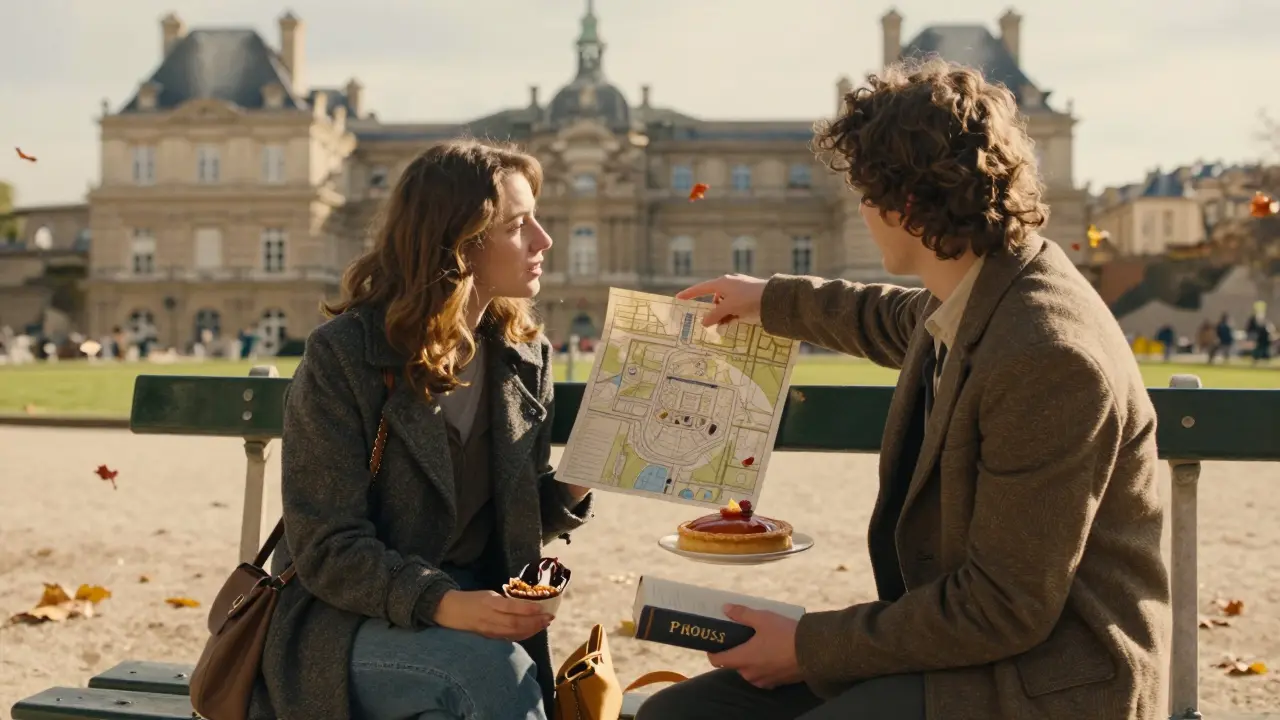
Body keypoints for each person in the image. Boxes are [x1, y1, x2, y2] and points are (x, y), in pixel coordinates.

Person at [637, 58, 1168, 720]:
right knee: (679, 715)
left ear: (906, 203)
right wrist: (767, 298)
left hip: (1052, 680)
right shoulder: (987, 288)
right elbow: (886, 318)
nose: (858, 210)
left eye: (864, 191)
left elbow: (1005, 608)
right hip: (971, 650)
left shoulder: (1047, 355)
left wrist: (806, 644)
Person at [251, 141, 594, 720]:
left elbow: (515, 512)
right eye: (517, 225)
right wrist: (444, 603)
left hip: (472, 613)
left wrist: (580, 480)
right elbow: (327, 549)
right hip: (343, 624)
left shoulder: (523, 355)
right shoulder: (347, 356)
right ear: (459, 243)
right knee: (488, 673)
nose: (544, 239)